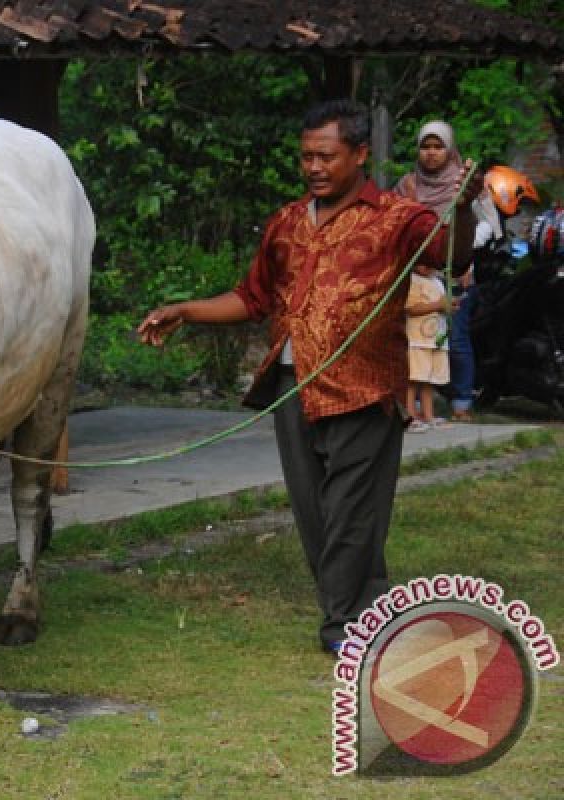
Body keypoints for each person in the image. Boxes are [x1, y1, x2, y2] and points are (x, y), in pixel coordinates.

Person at [137, 99, 482, 654]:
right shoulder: (287, 223)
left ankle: (343, 628)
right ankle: (373, 608)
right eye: (306, 158)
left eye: (326, 156)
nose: (314, 167)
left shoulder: (398, 217)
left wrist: (463, 210)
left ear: (360, 154)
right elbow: (252, 297)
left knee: (351, 509)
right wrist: (186, 309)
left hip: (366, 389)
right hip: (295, 386)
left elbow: (450, 253)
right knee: (317, 512)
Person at [393, 121, 477, 421]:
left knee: (453, 338)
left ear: (450, 148)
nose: (431, 153)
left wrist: (465, 258)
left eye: (438, 146)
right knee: (411, 341)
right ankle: (412, 405)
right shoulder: (407, 185)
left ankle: (461, 403)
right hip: (415, 274)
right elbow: (394, 226)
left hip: (453, 272)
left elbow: (483, 225)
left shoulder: (465, 182)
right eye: (425, 147)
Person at [404, 263, 451, 432]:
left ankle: (428, 414)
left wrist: (449, 307)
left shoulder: (438, 281)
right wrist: (438, 306)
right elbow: (411, 307)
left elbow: (441, 305)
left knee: (429, 378)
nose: (427, 266)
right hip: (418, 339)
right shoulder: (412, 280)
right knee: (414, 378)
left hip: (436, 339)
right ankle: (409, 415)